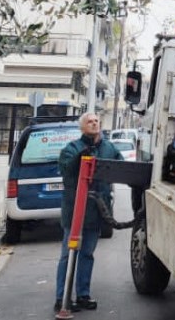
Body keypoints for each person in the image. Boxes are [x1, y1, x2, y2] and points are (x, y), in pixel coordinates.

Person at [54, 112, 120, 313]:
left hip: (96, 211)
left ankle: (83, 295)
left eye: (96, 121)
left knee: (87, 254)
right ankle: (61, 297)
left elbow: (121, 167)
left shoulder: (109, 148)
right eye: (89, 121)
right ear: (82, 128)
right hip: (75, 211)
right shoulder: (72, 148)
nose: (94, 123)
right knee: (68, 254)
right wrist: (81, 155)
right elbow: (66, 170)